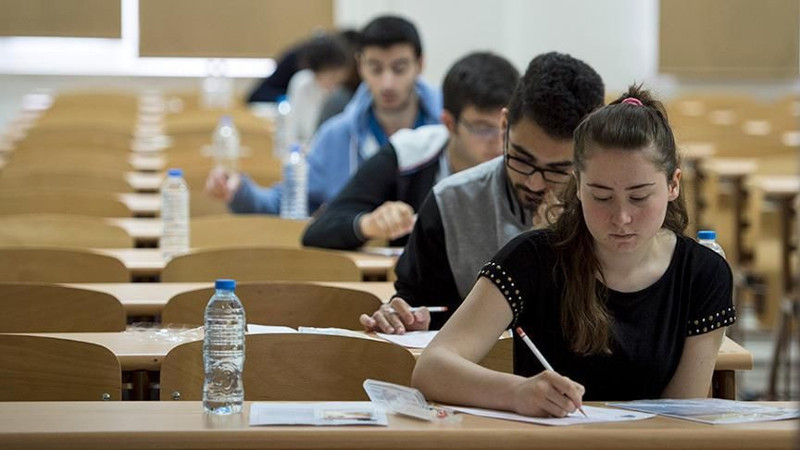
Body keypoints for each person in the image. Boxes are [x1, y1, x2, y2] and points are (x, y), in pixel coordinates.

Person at [411, 86, 735, 417]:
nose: (621, 218)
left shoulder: (703, 273)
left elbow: (681, 414)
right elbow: (432, 368)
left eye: (639, 197)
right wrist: (517, 392)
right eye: (601, 196)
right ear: (577, 185)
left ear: (673, 185)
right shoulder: (532, 259)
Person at [360, 52, 604, 333]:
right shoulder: (451, 203)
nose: (535, 183)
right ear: (504, 125)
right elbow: (421, 303)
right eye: (522, 159)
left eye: (559, 170)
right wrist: (402, 316)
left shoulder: (616, 214)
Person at [207, 16, 442, 215]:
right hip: (357, 266)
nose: (387, 83)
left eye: (399, 69)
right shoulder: (336, 136)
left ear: (420, 64)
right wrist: (239, 191)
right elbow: (286, 204)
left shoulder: (448, 131)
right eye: (376, 68)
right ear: (360, 65)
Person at [301, 52, 520, 250]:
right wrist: (370, 223)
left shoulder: (527, 166)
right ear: (449, 123)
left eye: (506, 127)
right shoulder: (409, 153)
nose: (499, 140)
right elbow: (318, 231)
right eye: (483, 128)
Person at [284, 33, 352, 146]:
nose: (335, 83)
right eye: (331, 76)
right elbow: (290, 132)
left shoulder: (343, 94)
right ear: (315, 72)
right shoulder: (302, 84)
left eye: (339, 77)